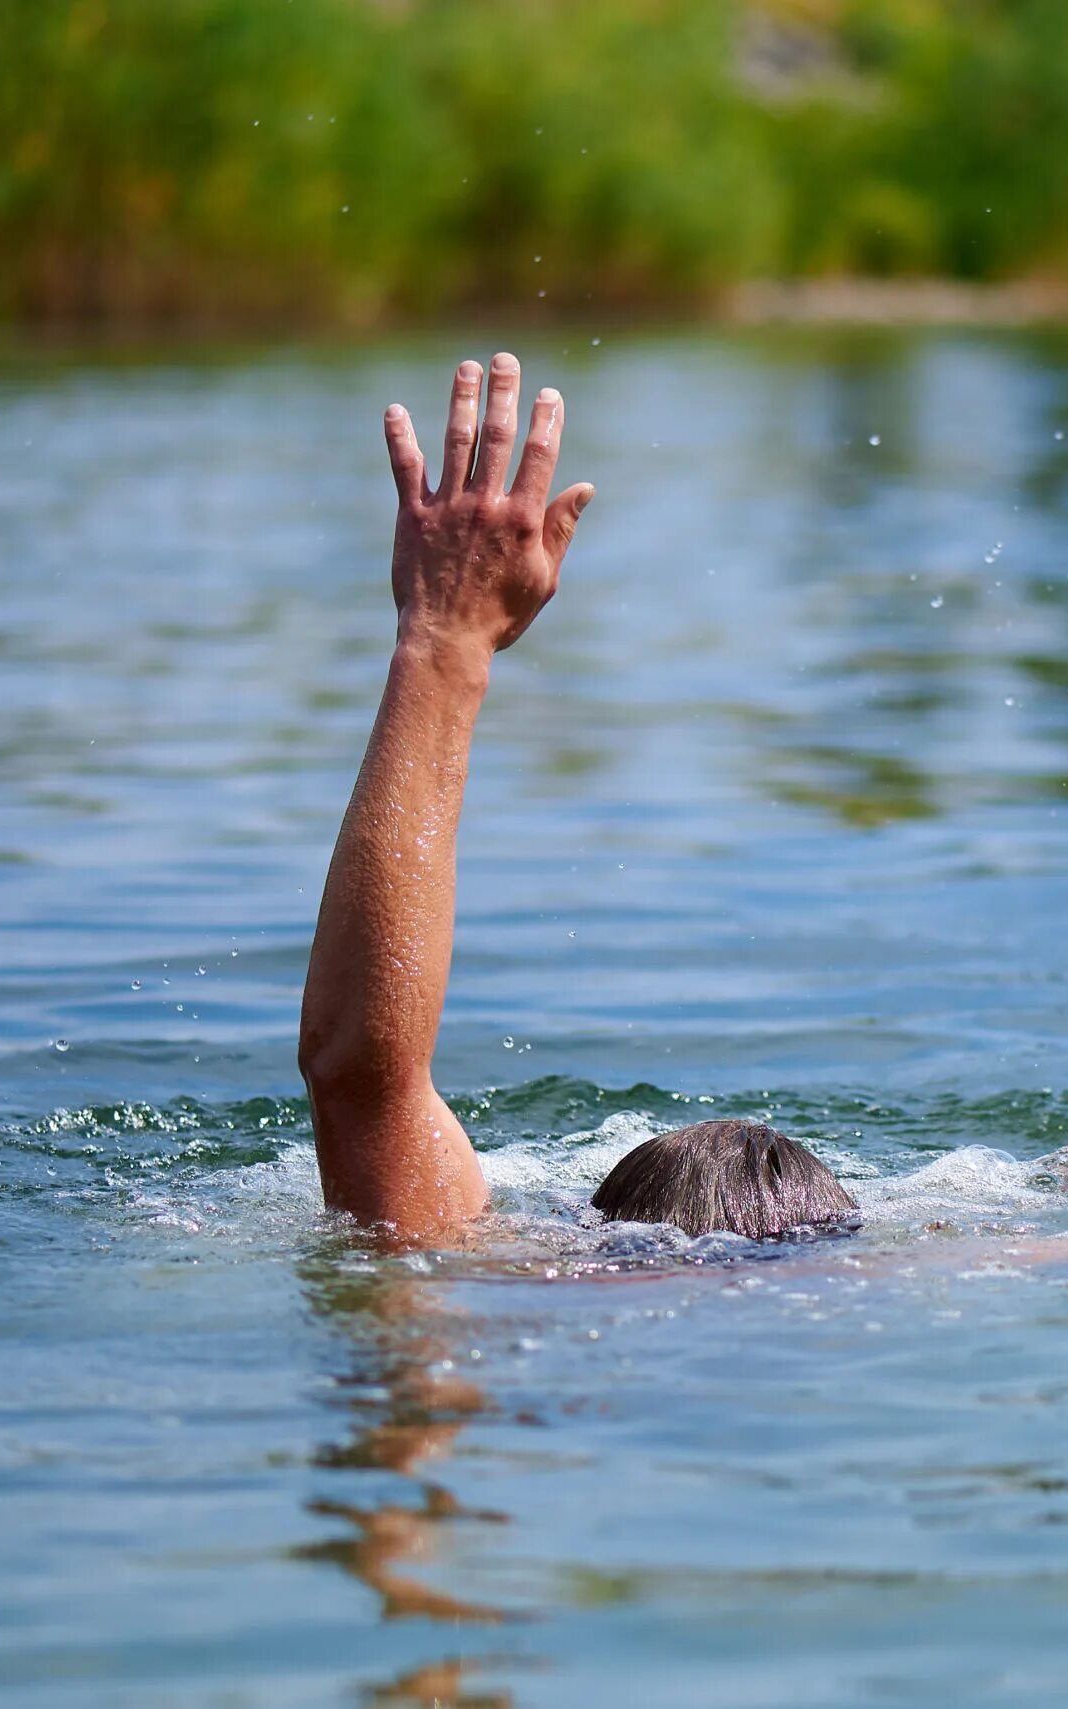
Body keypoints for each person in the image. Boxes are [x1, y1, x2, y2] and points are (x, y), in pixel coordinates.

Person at [297, 352, 855, 1247]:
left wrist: (446, 638)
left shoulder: (531, 1302)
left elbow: (358, 1072)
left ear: (592, 1242)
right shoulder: (918, 1278)